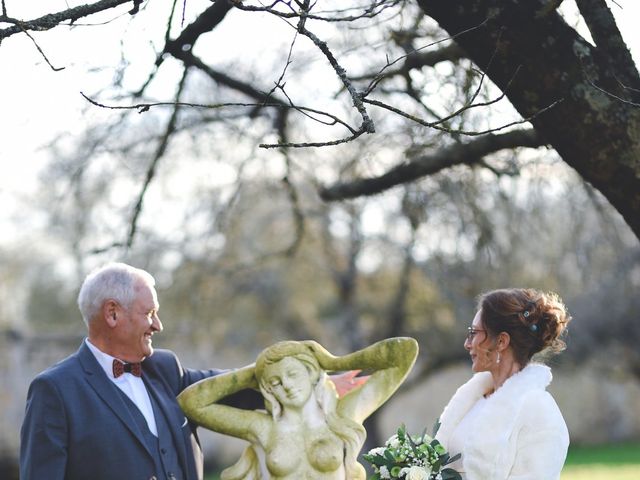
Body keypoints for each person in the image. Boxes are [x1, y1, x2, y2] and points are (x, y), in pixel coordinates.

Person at [19, 262, 263, 480]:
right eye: (149, 313)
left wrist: (292, 367)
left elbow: (237, 386)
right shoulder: (55, 390)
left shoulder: (166, 369)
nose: (158, 325)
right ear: (112, 313)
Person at [177, 337, 418, 479]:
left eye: (293, 374)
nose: (287, 386)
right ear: (267, 389)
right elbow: (191, 402)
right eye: (275, 382)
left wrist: (334, 362)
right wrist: (253, 373)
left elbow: (403, 352)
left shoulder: (342, 415)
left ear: (311, 372)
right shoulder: (263, 428)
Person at [434, 288, 572, 480]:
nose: (468, 343)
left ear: (501, 341)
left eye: (474, 333)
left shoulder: (539, 409)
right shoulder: (472, 400)